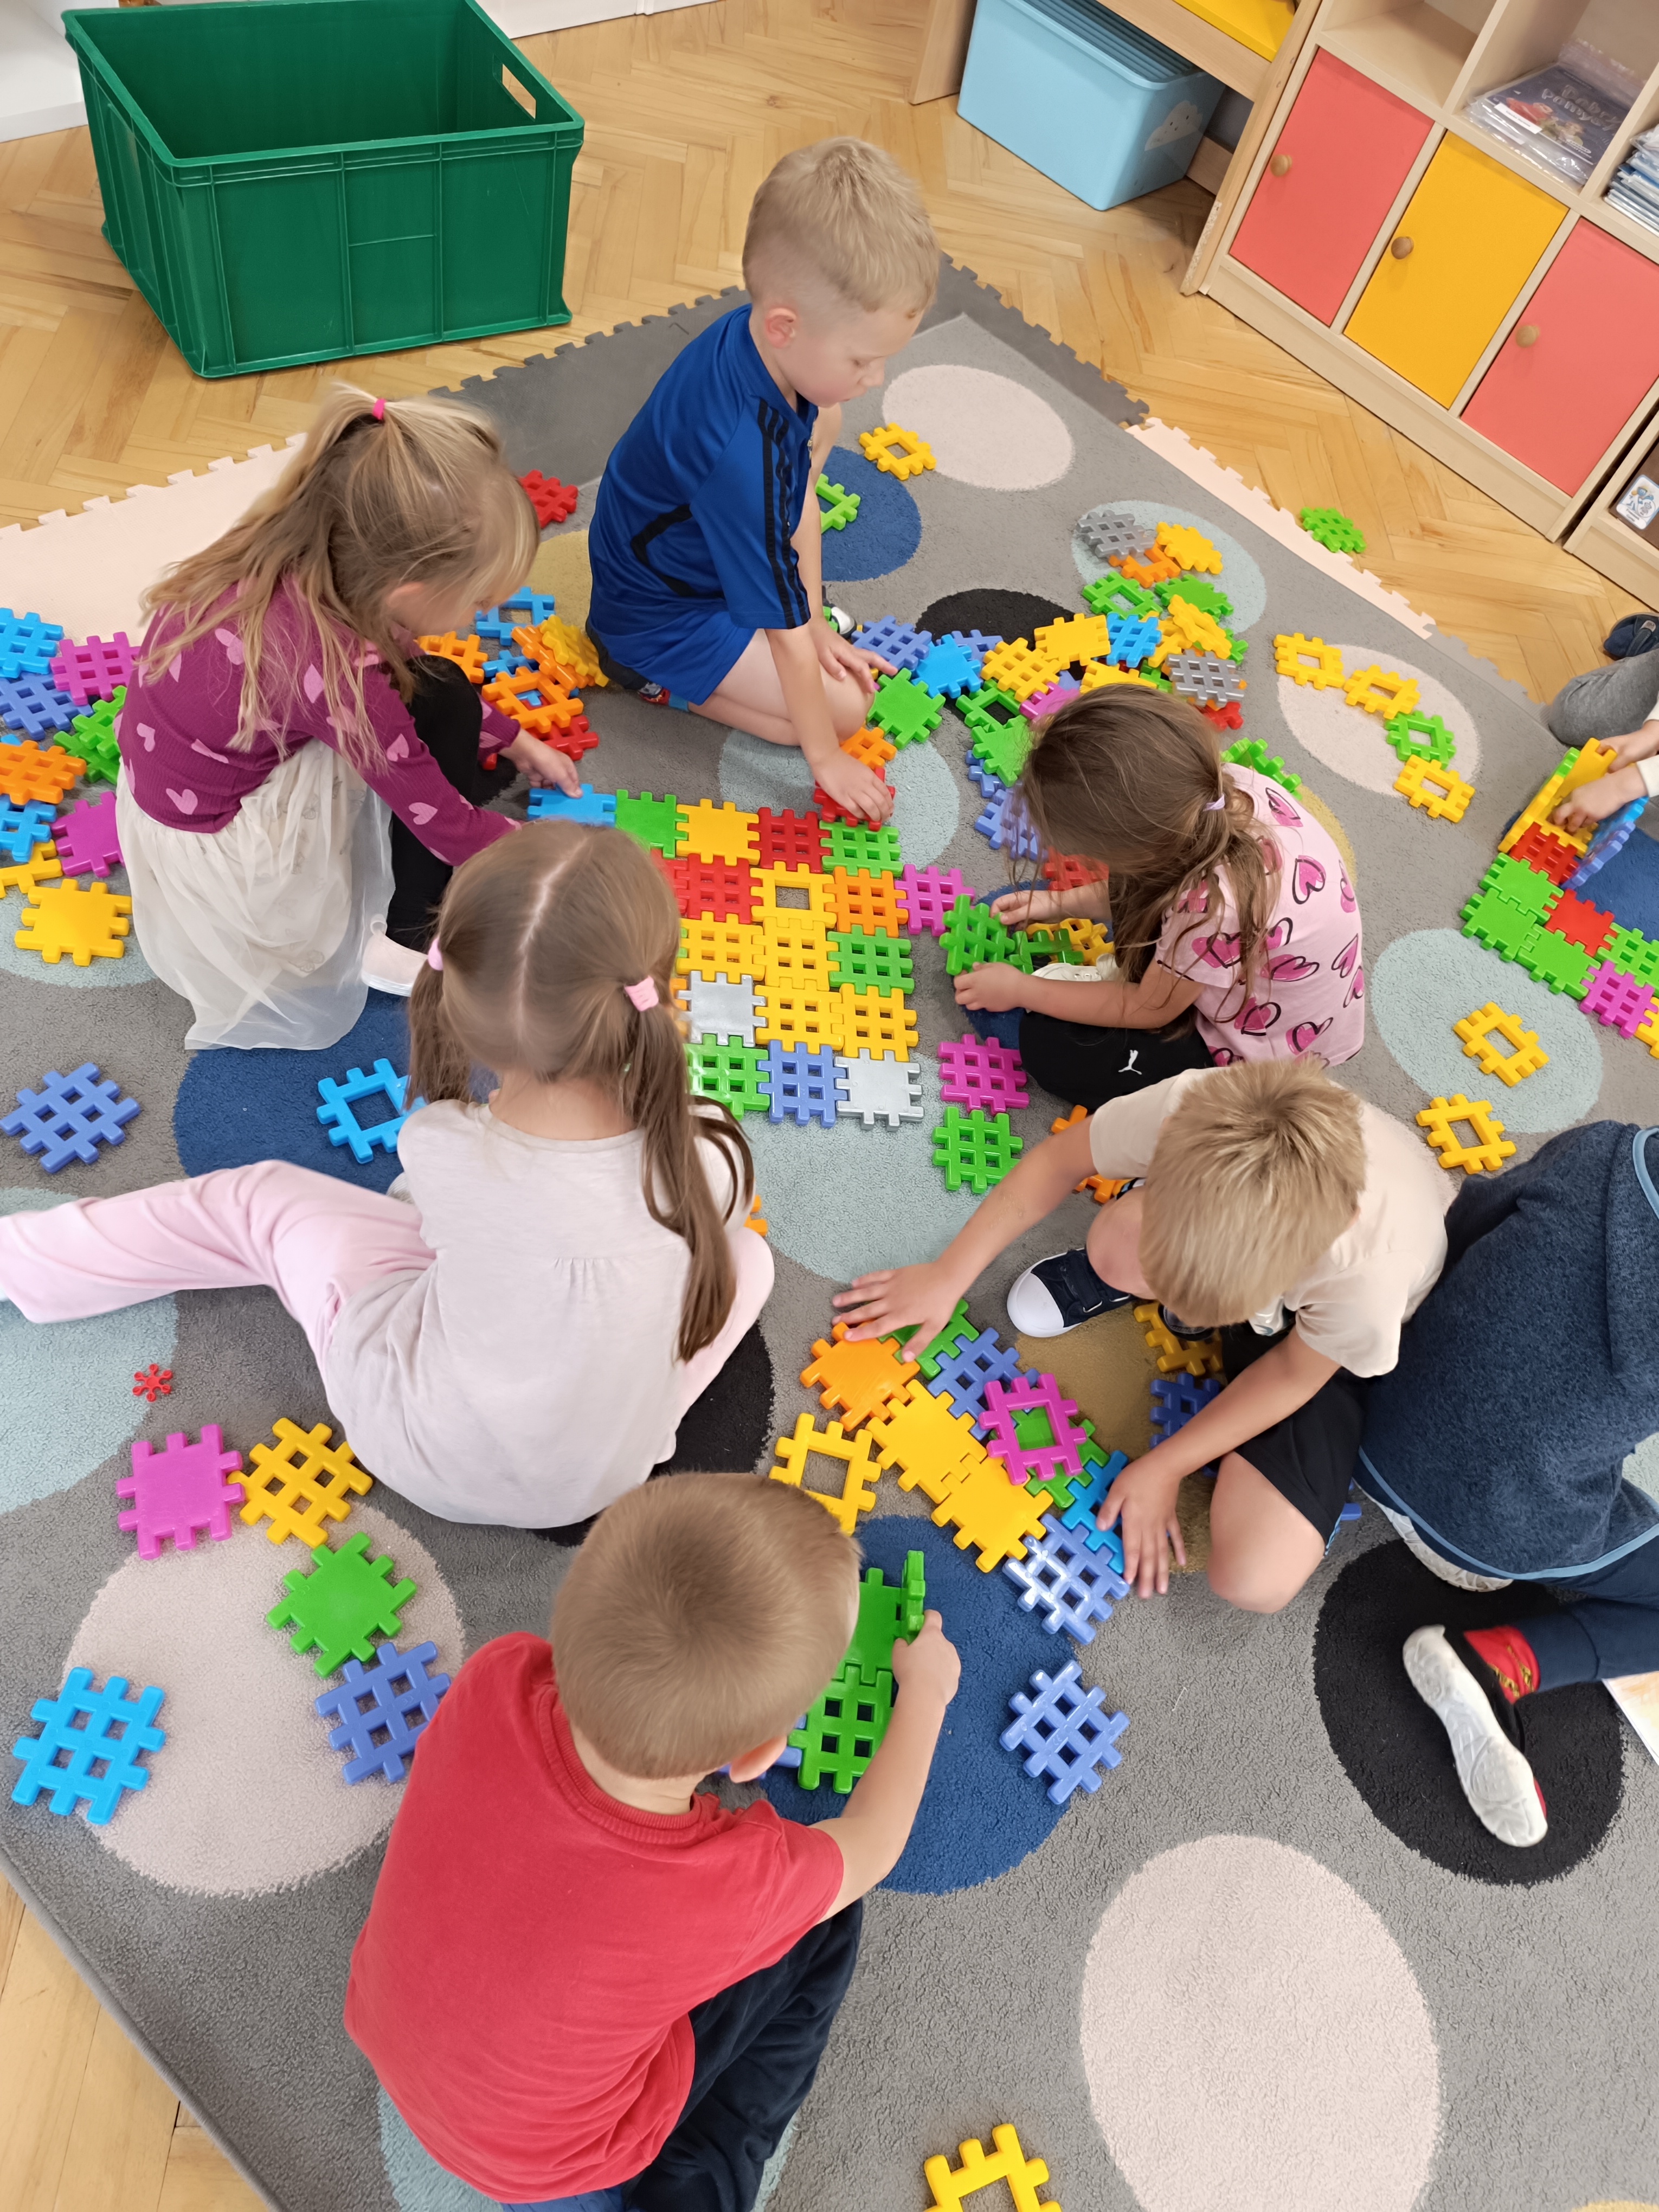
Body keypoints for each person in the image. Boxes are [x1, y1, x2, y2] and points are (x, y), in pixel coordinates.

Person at [0, 824, 770, 1533]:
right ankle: (622, 1420)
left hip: (418, 1446)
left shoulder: (444, 1145)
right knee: (748, 1259)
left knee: (257, 1200)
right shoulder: (714, 1150)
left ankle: (23, 1260)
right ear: (652, 994)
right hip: (599, 1482)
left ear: (460, 1007)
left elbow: (435, 1225)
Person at [345, 1473, 961, 2210]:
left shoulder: (495, 1675)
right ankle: (720, 2149)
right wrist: (926, 1694)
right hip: (555, 2165)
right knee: (825, 1924)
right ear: (758, 1756)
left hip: (391, 2034)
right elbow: (873, 1844)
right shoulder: (735, 1887)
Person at [838, 1059, 1451, 1608]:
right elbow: (1057, 1161)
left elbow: (1294, 1373)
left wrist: (1168, 1465)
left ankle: (1213, 1291)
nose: (1175, 1315)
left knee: (1256, 1578)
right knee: (1115, 1243)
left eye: (1194, 1304)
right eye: (1169, 1288)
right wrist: (949, 1274)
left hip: (1315, 1341)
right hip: (1259, 1229)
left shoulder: (1366, 1281)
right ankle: (1150, 1256)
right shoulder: (1194, 1108)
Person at [116, 384, 581, 1051]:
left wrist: (512, 739)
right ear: (407, 591)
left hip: (169, 795)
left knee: (439, 686)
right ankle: (405, 940)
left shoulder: (292, 548)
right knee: (435, 710)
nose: (479, 615)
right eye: (478, 601)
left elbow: (400, 654)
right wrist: (553, 857)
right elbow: (440, 819)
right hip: (239, 865)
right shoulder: (339, 677)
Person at [586, 138, 941, 825]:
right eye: (862, 361)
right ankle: (643, 676)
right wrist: (826, 757)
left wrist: (818, 624)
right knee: (845, 710)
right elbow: (783, 625)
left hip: (691, 561)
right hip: (653, 619)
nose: (877, 380)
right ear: (786, 327)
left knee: (827, 419)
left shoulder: (761, 343)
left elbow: (794, 493)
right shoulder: (738, 456)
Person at [1358, 1120, 1659, 1849]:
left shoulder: (1608, 1150)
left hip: (1369, 1413)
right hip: (1493, 1536)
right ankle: (1502, 1662)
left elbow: (1467, 1222)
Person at [956, 689, 1365, 1109]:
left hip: (1261, 1056)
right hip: (1257, 969)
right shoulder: (1218, 789)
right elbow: (1146, 880)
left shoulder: (1209, 908)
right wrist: (1061, 904)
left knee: (1053, 1049)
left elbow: (1150, 1009)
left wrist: (1022, 990)